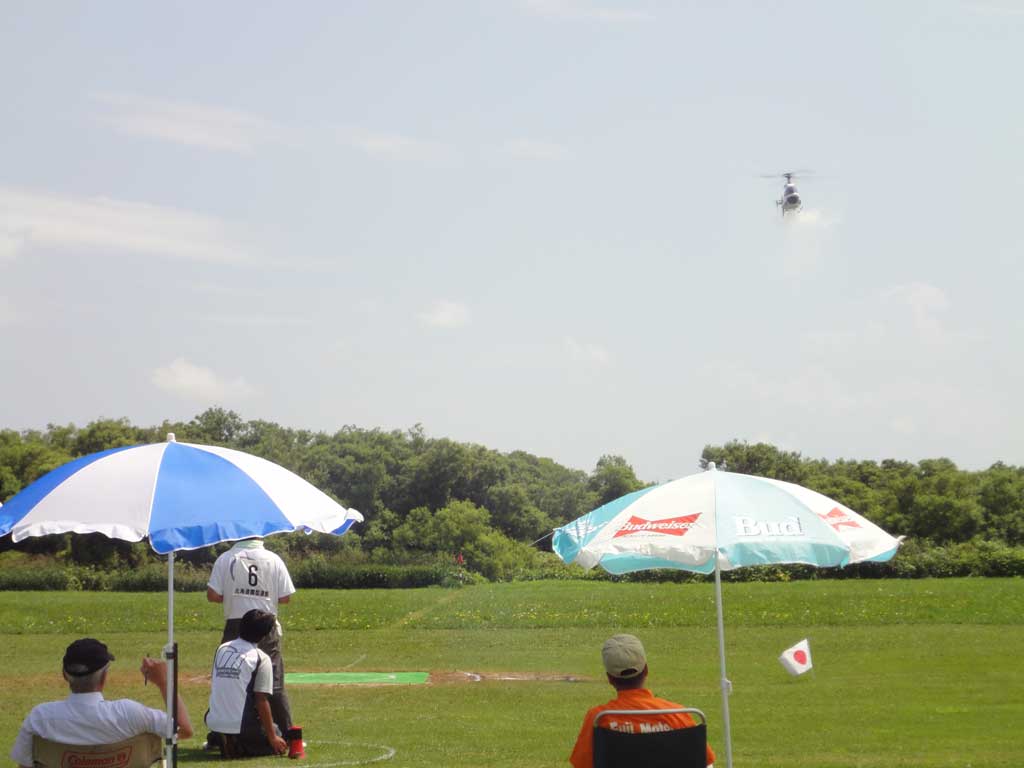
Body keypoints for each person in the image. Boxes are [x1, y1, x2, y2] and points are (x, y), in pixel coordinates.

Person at [10, 638, 193, 768]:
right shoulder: (130, 714)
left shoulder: (40, 718)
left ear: (65, 675)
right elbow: (184, 729)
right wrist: (164, 682)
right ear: (104, 676)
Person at [569, 634, 715, 768]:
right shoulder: (678, 715)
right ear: (646, 670)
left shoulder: (599, 719)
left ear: (610, 678)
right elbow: (706, 764)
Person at [207, 536, 295, 735]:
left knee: (228, 677)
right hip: (265, 624)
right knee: (274, 682)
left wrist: (233, 595)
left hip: (235, 625)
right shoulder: (274, 559)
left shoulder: (225, 558)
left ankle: (220, 734)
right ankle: (288, 734)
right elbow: (285, 597)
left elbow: (213, 595)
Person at [206, 609, 291, 758]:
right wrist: (273, 738)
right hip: (241, 723)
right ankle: (238, 746)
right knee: (276, 731)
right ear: (265, 636)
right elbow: (261, 700)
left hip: (213, 718)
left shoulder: (222, 648)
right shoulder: (261, 658)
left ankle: (219, 737)